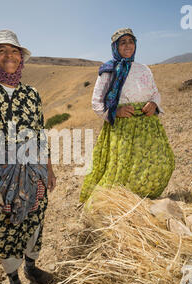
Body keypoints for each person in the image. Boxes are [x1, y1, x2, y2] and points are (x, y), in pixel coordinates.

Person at [0, 30, 56, 284]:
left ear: (21, 58)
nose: (9, 56)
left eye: (14, 51)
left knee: (34, 218)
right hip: (0, 174)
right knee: (5, 227)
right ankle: (13, 280)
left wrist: (49, 168)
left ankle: (31, 266)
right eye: (2, 51)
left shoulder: (31, 93)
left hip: (34, 169)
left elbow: (40, 133)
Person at [79, 28, 174, 203]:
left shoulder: (144, 69)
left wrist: (154, 104)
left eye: (131, 41)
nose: (128, 45)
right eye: (123, 42)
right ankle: (118, 203)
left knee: (160, 162)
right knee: (122, 169)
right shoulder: (108, 70)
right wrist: (115, 112)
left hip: (147, 125)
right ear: (115, 46)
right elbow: (96, 101)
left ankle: (145, 198)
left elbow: (155, 93)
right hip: (122, 127)